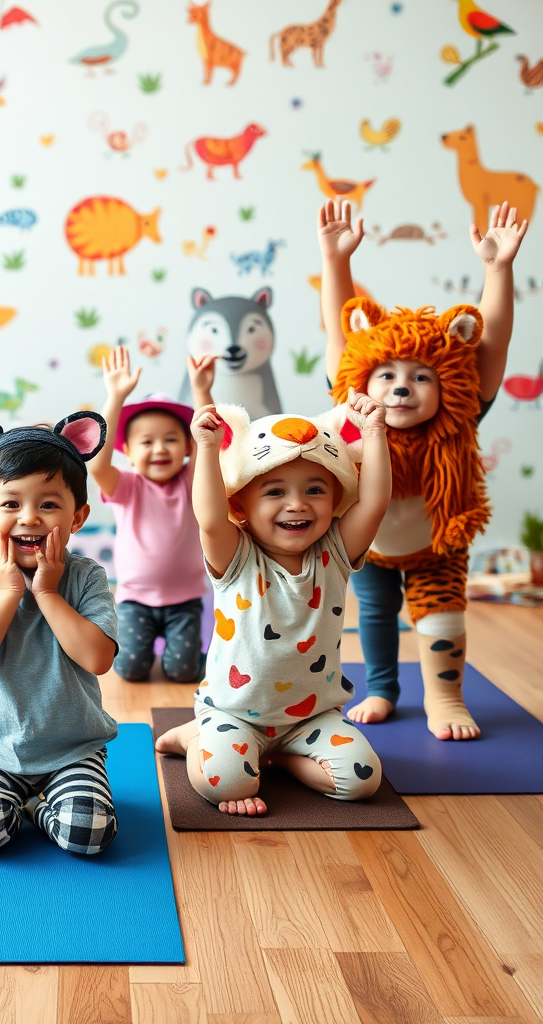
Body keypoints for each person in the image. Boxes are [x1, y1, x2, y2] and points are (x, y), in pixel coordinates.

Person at [319, 198, 528, 740]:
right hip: (372, 546)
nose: (401, 387)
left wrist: (497, 269)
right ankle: (383, 688)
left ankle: (444, 697)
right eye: (386, 374)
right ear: (361, 380)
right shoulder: (352, 406)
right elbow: (339, 335)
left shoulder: (461, 415)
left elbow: (494, 339)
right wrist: (335, 261)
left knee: (441, 618)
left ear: (449, 386)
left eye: (420, 377)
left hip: (439, 544)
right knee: (375, 617)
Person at [154, 391, 391, 815]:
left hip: (311, 717)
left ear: (336, 500)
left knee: (362, 780)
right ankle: (196, 734)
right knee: (223, 783)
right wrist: (207, 448)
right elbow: (208, 518)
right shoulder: (236, 555)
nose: (296, 504)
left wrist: (374, 433)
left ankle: (278, 757)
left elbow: (373, 504)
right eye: (275, 491)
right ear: (240, 504)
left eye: (315, 490)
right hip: (235, 713)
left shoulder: (334, 552)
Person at [0, 411, 120, 854]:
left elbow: (98, 659)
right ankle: (23, 803)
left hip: (73, 749)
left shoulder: (86, 577)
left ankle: (40, 808)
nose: (29, 518)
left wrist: (46, 591)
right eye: (10, 504)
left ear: (78, 516)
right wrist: (9, 593)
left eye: (48, 504)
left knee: (90, 834)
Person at [90, 346, 215, 683]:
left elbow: (209, 440)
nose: (159, 449)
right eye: (146, 442)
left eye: (171, 439)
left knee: (185, 672)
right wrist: (115, 397)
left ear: (188, 447)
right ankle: (156, 654)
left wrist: (202, 390)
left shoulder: (192, 481)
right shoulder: (128, 486)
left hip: (185, 601)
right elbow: (97, 465)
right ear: (127, 451)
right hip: (134, 600)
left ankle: (199, 655)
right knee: (129, 669)